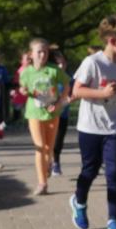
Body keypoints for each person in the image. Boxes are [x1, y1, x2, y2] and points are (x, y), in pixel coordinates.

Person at [69, 16, 116, 229]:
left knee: (114, 174)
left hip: (115, 126)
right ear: (111, 39)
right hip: (90, 127)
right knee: (90, 170)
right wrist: (102, 94)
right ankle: (79, 202)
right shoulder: (93, 62)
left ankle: (113, 222)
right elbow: (77, 90)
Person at [19, 38, 70, 196]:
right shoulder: (26, 72)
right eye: (39, 52)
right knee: (40, 147)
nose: (42, 54)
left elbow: (67, 84)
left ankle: (47, 165)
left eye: (45, 52)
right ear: (31, 54)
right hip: (34, 114)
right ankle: (42, 183)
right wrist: (22, 91)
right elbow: (24, 88)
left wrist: (61, 100)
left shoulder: (53, 70)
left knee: (49, 148)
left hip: (52, 112)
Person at [50, 47, 74, 178]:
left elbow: (75, 93)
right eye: (58, 63)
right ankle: (48, 161)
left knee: (58, 141)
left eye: (63, 63)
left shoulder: (70, 78)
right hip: (48, 115)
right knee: (49, 141)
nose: (61, 66)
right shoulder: (49, 76)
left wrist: (67, 100)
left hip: (63, 114)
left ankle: (56, 162)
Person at [9, 51, 31, 125]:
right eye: (27, 59)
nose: (30, 60)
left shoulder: (32, 70)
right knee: (16, 117)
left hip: (28, 97)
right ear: (22, 61)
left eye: (30, 59)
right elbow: (15, 84)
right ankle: (1, 126)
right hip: (19, 97)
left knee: (31, 116)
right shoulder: (20, 71)